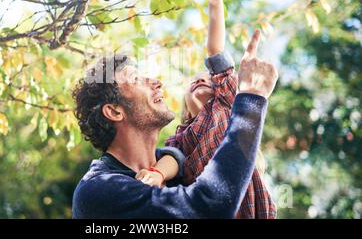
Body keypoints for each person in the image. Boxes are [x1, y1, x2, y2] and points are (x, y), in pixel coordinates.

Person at [71, 25, 278, 218]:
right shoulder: (98, 189)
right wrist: (251, 99)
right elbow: (209, 207)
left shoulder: (178, 163)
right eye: (135, 79)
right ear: (115, 111)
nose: (156, 82)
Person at [135, 0, 277, 218]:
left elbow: (215, 51)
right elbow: (173, 158)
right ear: (183, 101)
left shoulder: (227, 104)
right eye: (194, 81)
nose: (201, 80)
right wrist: (156, 173)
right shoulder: (182, 134)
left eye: (208, 79)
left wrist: (214, 1)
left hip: (247, 201)